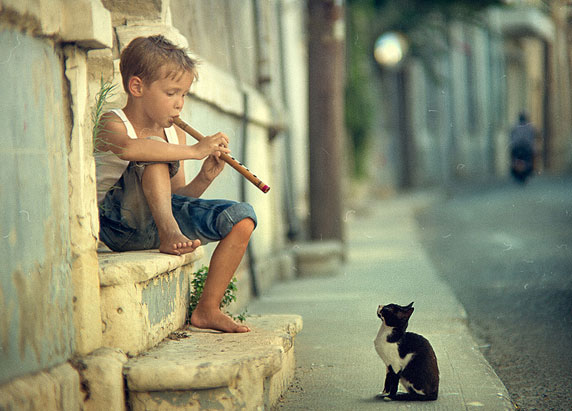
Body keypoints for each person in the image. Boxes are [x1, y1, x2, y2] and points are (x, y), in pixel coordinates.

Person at [95, 35, 257, 333]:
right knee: (152, 147)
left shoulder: (175, 137)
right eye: (172, 93)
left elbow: (174, 197)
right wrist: (196, 151)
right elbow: (131, 149)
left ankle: (208, 308)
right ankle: (171, 233)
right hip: (116, 228)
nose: (179, 105)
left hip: (157, 222)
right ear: (137, 87)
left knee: (242, 218)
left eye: (184, 95)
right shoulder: (111, 122)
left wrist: (205, 176)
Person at [509, 111, 536, 182]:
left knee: (513, 158)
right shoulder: (530, 127)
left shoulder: (515, 126)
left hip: (517, 147)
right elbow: (532, 138)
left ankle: (514, 171)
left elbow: (511, 137)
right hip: (526, 147)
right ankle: (530, 171)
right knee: (531, 159)